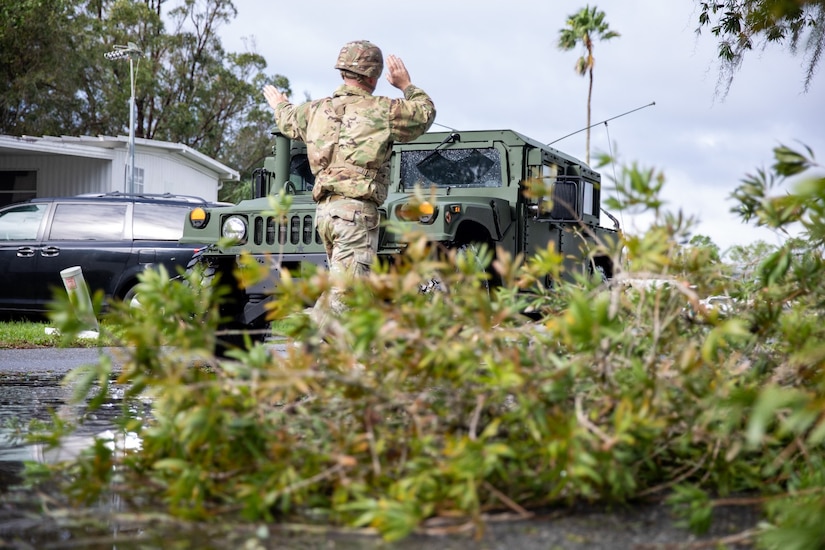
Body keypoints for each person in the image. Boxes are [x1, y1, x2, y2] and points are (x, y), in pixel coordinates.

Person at [263, 40, 436, 339]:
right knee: (350, 296)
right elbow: (424, 114)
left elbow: (287, 119)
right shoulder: (383, 110)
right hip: (355, 213)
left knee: (343, 291)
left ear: (343, 71)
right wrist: (406, 85)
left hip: (325, 214)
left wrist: (280, 103)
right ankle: (315, 350)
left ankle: (338, 364)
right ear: (373, 76)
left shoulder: (314, 111)